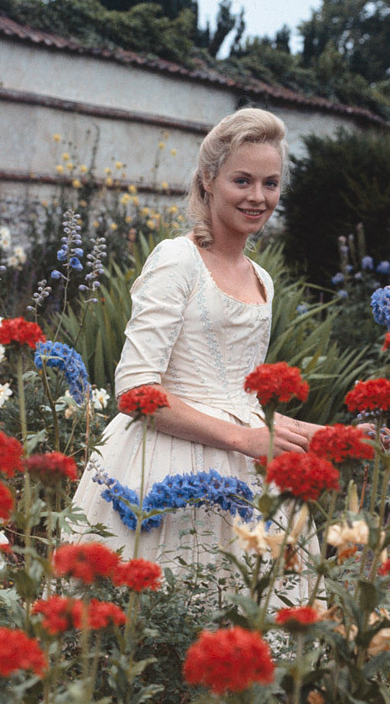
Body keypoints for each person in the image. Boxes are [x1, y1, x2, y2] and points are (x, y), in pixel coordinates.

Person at [69, 108, 320, 569]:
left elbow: (237, 401)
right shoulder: (177, 260)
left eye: (271, 183)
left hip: (242, 472)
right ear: (208, 179)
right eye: (242, 181)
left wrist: (328, 437)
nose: (258, 197)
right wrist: (244, 440)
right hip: (163, 466)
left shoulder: (261, 279)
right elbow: (136, 390)